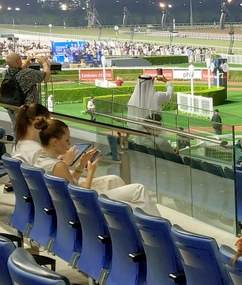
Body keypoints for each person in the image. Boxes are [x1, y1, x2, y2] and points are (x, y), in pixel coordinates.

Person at [32, 117, 160, 216]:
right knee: (138, 190)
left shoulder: (40, 160)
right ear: (55, 142)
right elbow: (83, 197)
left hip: (65, 207)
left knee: (115, 180)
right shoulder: (58, 165)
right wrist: (91, 171)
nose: (69, 144)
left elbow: (71, 185)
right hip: (84, 209)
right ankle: (159, 230)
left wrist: (81, 165)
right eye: (66, 140)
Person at [2, 52, 50, 124]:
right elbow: (46, 76)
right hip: (27, 110)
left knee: (16, 128)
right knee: (29, 128)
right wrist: (44, 63)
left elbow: (18, 72)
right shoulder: (28, 73)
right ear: (18, 61)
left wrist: (27, 63)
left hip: (12, 107)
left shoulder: (6, 73)